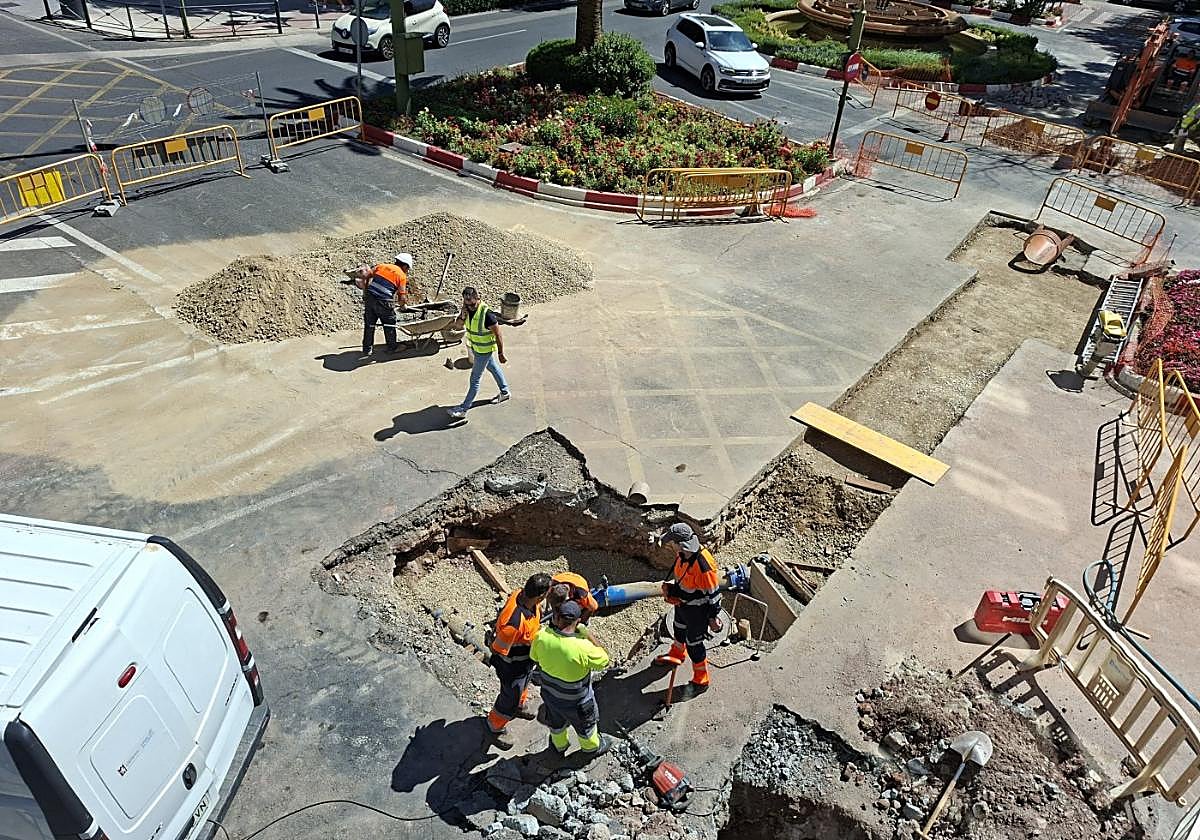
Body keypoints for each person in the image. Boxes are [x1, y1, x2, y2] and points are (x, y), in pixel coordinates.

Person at [529, 600, 613, 758]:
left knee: (555, 723)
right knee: (586, 727)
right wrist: (587, 634)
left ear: (557, 618)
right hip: (577, 702)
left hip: (550, 695)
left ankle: (559, 747)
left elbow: (534, 657)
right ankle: (591, 748)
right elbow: (604, 660)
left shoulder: (541, 636)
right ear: (578, 621)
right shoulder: (583, 647)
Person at [653, 522, 722, 692]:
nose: (671, 546)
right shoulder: (683, 555)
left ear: (681, 544)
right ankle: (676, 654)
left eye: (672, 542)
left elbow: (714, 596)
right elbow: (684, 581)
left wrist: (713, 618)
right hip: (682, 606)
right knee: (679, 629)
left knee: (694, 644)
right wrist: (673, 590)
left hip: (698, 613)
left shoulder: (704, 566)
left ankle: (701, 680)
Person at [487, 573, 553, 749]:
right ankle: (495, 725)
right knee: (509, 696)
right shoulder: (513, 624)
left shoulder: (523, 597)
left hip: (524, 663)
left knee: (523, 685)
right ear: (540, 596)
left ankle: (519, 705)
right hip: (510, 667)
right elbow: (497, 649)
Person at [447, 286, 509, 420]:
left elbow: (498, 334)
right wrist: (462, 315)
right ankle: (505, 392)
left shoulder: (487, 315)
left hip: (484, 351)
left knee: (474, 379)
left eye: (471, 303)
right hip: (476, 348)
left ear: (478, 298)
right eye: (466, 303)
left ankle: (464, 409)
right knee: (493, 367)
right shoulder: (467, 310)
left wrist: (500, 353)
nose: (469, 306)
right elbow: (458, 326)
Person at [352, 253, 412, 360]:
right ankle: (392, 347)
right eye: (407, 268)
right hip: (384, 301)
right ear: (404, 266)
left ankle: (367, 349)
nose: (407, 271)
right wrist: (403, 305)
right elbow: (402, 296)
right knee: (389, 324)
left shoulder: (381, 266)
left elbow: (366, 276)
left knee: (369, 324)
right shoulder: (401, 276)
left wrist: (366, 291)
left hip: (370, 297)